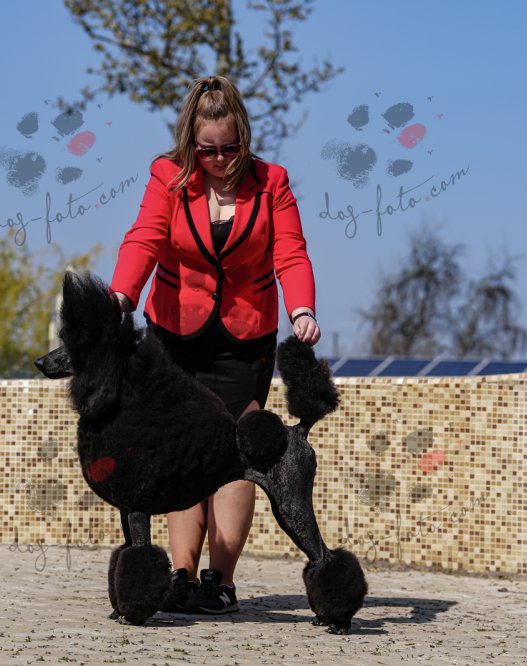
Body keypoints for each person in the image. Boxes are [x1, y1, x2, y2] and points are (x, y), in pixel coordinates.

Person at [109, 74, 320, 614]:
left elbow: (291, 251)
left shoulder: (272, 182)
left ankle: (220, 582)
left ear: (243, 137)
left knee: (236, 455)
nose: (220, 160)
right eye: (208, 151)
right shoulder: (167, 176)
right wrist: (121, 295)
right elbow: (145, 237)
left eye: (230, 148)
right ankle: (180, 575)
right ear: (190, 143)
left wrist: (301, 309)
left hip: (245, 338)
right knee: (182, 451)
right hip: (174, 334)